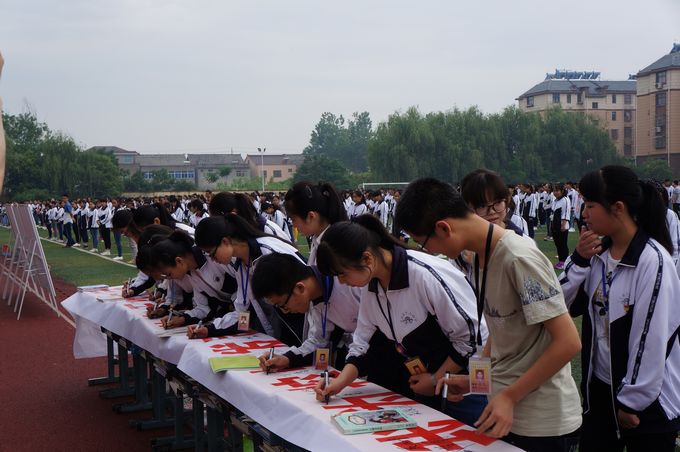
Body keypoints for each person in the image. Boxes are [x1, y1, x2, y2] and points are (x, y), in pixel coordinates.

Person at [395, 177, 582, 452]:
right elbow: (500, 329)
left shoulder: (518, 258)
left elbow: (568, 342)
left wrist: (509, 396)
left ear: (443, 228)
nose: (430, 252)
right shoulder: (480, 258)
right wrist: (474, 382)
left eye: (424, 243)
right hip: (505, 411)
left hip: (541, 422)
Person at [313, 214, 487, 427]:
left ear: (367, 259)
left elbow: (471, 338)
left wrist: (435, 379)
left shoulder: (423, 275)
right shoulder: (372, 286)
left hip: (466, 386)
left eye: (342, 274)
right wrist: (339, 383)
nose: (342, 282)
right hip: (427, 383)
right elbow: (362, 343)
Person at [560, 166, 680, 452]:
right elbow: (557, 306)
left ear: (618, 208)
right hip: (602, 389)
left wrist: (631, 401)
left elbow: (651, 339)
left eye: (590, 205)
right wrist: (578, 260)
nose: (584, 213)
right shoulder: (596, 255)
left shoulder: (653, 261)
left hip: (647, 403)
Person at [187, 215, 305, 345]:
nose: (213, 260)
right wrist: (209, 330)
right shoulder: (241, 266)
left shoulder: (268, 251)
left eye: (212, 254)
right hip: (284, 333)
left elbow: (304, 293)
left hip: (305, 327)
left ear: (225, 241)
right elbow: (243, 312)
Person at [251, 252, 360, 371]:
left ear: (300, 288)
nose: (285, 312)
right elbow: (319, 341)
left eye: (283, 305)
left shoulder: (350, 285)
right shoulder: (316, 298)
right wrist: (286, 359)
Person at [284, 182, 347, 265]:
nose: (294, 225)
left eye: (293, 219)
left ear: (311, 216)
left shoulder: (335, 248)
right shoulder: (317, 239)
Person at [552, 184, 571, 269]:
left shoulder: (565, 199)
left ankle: (564, 262)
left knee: (562, 244)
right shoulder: (555, 200)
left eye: (557, 191)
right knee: (558, 244)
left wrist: (563, 225)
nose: (555, 192)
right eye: (554, 191)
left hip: (562, 226)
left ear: (562, 191)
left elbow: (566, 212)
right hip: (555, 225)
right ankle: (560, 261)